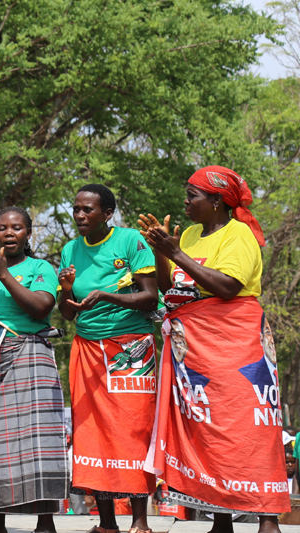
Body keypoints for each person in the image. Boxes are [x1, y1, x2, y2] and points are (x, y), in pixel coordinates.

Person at [140, 166, 289, 533]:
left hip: (236, 341)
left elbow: (227, 286)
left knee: (249, 428)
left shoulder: (240, 235)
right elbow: (168, 283)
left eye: (194, 196)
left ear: (218, 202)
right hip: (195, 348)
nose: (186, 202)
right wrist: (164, 253)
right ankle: (220, 519)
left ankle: (267, 520)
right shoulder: (188, 235)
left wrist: (178, 253)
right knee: (208, 430)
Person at [0, 206, 69, 533]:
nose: (8, 233)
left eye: (17, 228)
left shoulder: (40, 267)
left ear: (28, 233)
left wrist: (4, 273)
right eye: (2, 227)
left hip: (29, 355)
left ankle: (45, 522)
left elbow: (41, 307)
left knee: (38, 440)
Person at [57, 184, 159, 533]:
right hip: (87, 348)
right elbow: (67, 314)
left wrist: (106, 296)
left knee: (134, 428)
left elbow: (149, 298)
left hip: (130, 345)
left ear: (108, 214)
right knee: (92, 431)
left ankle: (141, 520)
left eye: (88, 210)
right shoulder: (70, 249)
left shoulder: (131, 241)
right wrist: (68, 293)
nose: (80, 216)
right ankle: (106, 522)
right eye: (76, 210)